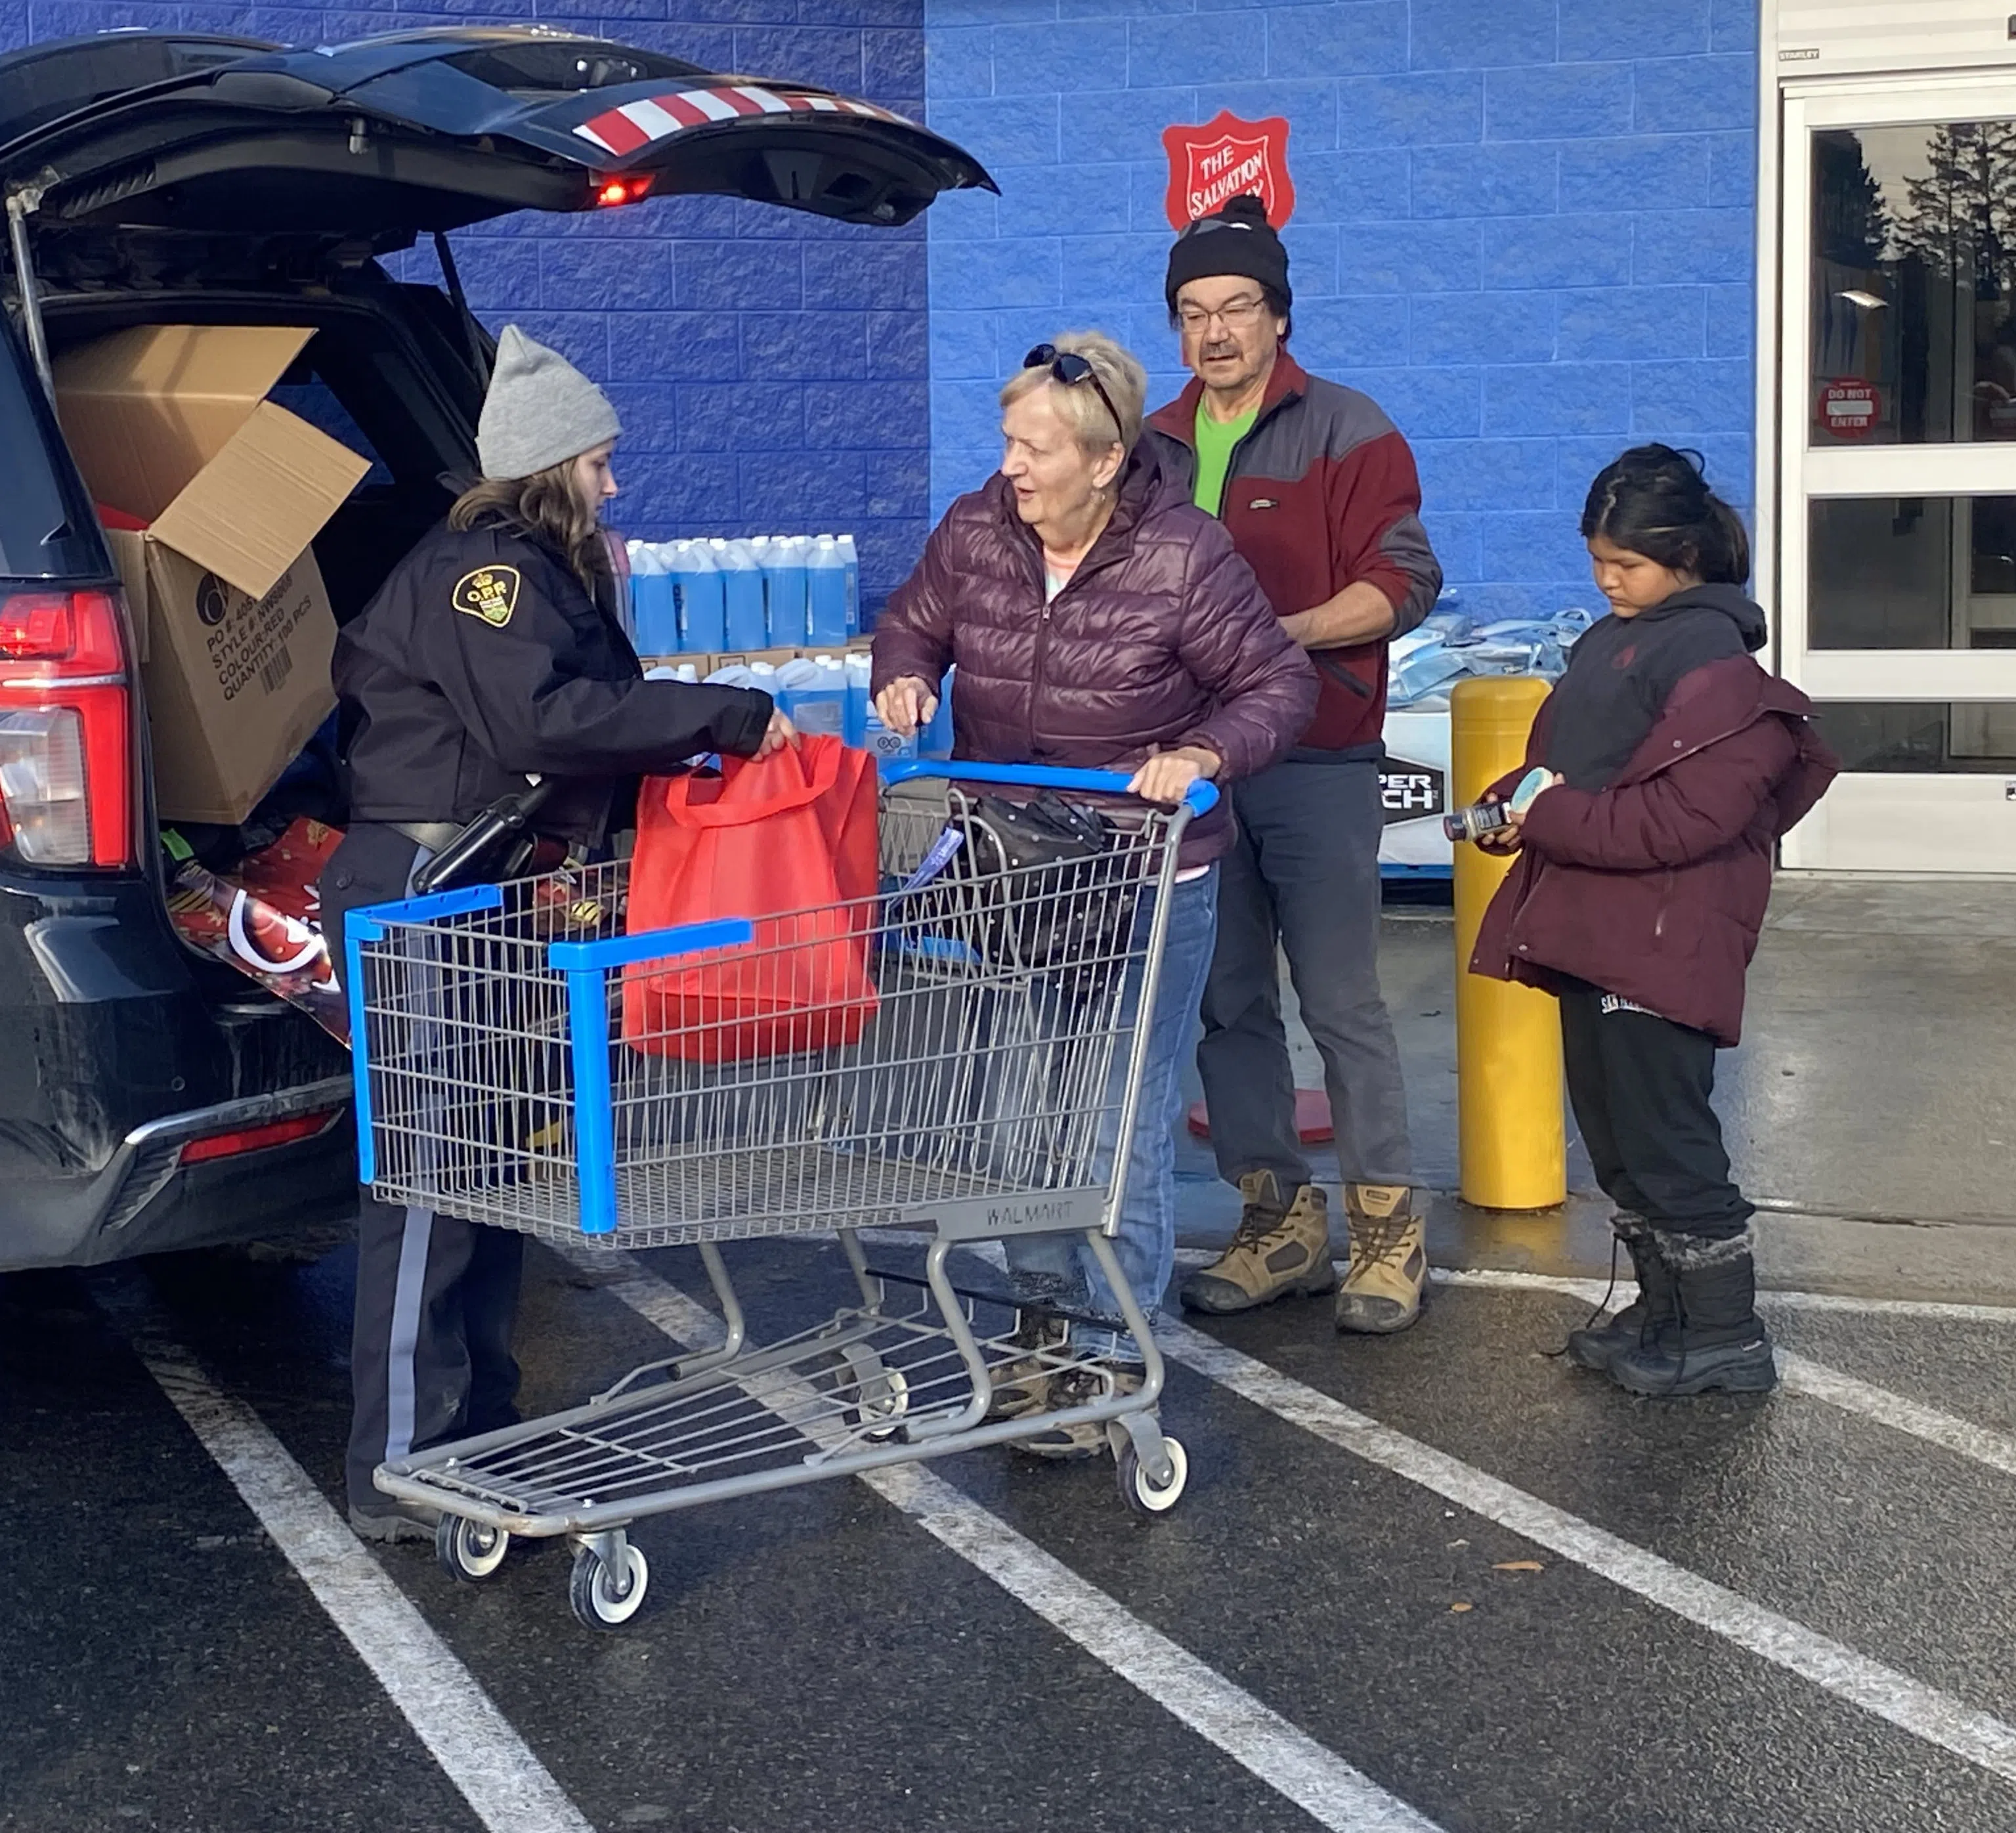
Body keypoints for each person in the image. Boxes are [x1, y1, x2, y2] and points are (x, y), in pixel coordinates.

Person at [323, 324, 794, 1538]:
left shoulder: (531, 573)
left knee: (484, 1168)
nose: (613, 483)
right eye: (598, 464)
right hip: (428, 897)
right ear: (547, 470)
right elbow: (543, 720)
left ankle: (481, 1422)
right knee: (427, 1180)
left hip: (485, 894)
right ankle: (399, 1463)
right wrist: (727, 713)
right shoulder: (485, 574)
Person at [871, 332, 1316, 1452]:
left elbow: (1277, 683)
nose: (1011, 465)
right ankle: (1039, 1339)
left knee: (1114, 1116)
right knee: (1021, 1111)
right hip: (1015, 865)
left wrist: (1204, 753)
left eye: (1035, 447)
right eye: (1008, 441)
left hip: (1144, 871)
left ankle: (1115, 1356)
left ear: (1106, 459)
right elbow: (911, 623)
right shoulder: (979, 530)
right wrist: (907, 680)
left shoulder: (1184, 554)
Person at [1468, 445, 1838, 1397]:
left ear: (1684, 557)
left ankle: (1721, 1331)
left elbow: (1683, 822)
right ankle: (1665, 1309)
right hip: (1596, 930)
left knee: (1669, 1142)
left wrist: (1541, 813)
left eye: (1624, 564)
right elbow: (1572, 765)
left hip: (1665, 943)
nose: (1605, 580)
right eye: (1596, 560)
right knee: (1619, 1137)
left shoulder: (1718, 670)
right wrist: (1515, 801)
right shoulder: (1616, 641)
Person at [1144, 194, 1446, 1337]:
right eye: (1192, 312)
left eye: (1235, 309)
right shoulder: (1152, 445)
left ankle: (1385, 1231)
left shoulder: (1348, 429)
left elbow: (1404, 580)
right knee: (1227, 1001)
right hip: (1198, 764)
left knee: (1341, 999)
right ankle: (1278, 1222)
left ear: (1277, 316)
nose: (1214, 332)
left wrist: (1287, 635)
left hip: (1317, 753)